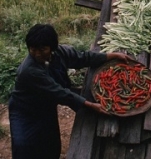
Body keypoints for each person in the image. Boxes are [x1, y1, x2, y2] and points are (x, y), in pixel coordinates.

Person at [8, 23, 130, 159]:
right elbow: (59, 93)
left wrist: (112, 56)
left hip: (45, 106)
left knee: (50, 144)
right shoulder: (30, 71)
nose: (37, 54)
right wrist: (90, 105)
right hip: (25, 111)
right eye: (33, 49)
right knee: (23, 146)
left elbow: (82, 58)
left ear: (52, 47)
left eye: (42, 49)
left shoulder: (59, 53)